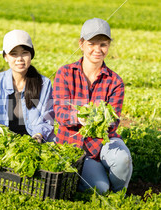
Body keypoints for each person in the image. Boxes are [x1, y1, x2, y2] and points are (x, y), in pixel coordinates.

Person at [53, 18, 132, 194]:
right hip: (75, 146)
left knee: (122, 159)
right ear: (81, 44)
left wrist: (100, 120)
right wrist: (79, 118)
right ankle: (102, 179)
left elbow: (113, 122)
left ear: (109, 45)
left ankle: (118, 194)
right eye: (92, 43)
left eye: (103, 44)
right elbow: (60, 113)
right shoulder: (65, 73)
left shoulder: (115, 81)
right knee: (100, 188)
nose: (97, 49)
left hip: (103, 142)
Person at [0, 30, 54, 142]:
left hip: (33, 144)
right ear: (5, 57)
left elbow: (47, 118)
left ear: (31, 55)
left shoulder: (44, 84)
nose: (20, 59)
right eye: (14, 54)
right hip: (1, 143)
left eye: (24, 53)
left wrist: (38, 135)